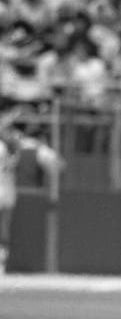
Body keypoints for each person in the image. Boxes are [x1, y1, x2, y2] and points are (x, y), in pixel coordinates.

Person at [0, 107, 63, 274]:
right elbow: (59, 165)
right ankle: (2, 264)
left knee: (5, 229)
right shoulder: (19, 148)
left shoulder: (11, 146)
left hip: (8, 190)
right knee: (5, 229)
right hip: (12, 192)